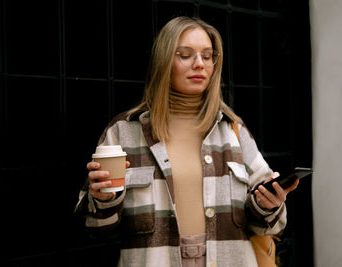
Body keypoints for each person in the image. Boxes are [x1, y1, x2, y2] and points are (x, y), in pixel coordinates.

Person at [74, 16, 298, 267]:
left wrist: (268, 205)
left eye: (207, 55)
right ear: (164, 61)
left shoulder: (233, 129)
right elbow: (95, 228)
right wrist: (104, 199)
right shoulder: (124, 132)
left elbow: (273, 224)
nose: (199, 64)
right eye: (185, 54)